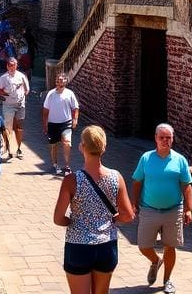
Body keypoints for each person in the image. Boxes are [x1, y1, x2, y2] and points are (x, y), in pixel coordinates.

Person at [53, 125, 135, 294]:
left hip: (78, 245)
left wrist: (73, 221)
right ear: (103, 148)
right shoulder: (116, 177)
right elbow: (128, 215)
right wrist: (113, 219)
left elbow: (58, 218)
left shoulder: (72, 180)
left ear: (81, 147)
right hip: (106, 245)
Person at [131, 123, 192, 294]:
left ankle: (167, 280)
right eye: (162, 138)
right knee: (143, 245)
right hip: (149, 208)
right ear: (156, 139)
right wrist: (133, 204)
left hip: (173, 209)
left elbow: (187, 185)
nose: (165, 141)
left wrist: (189, 209)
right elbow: (137, 181)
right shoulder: (146, 158)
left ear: (172, 139)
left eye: (169, 138)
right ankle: (155, 261)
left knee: (170, 246)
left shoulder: (180, 160)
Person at [42, 73, 80, 175]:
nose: (59, 81)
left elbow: (75, 108)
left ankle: (67, 166)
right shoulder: (50, 94)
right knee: (54, 145)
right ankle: (55, 164)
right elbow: (45, 111)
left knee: (67, 142)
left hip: (66, 122)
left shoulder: (70, 94)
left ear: (65, 82)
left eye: (61, 80)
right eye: (58, 80)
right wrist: (45, 124)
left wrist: (75, 119)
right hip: (53, 123)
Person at [0, 56, 30, 159]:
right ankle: (7, 148)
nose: (12, 67)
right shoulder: (3, 77)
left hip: (20, 105)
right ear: (7, 66)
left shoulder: (22, 76)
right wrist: (8, 95)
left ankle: (19, 149)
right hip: (8, 106)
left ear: (16, 65)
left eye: (14, 65)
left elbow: (27, 89)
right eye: (10, 65)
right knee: (8, 128)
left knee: (19, 128)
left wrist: (23, 95)